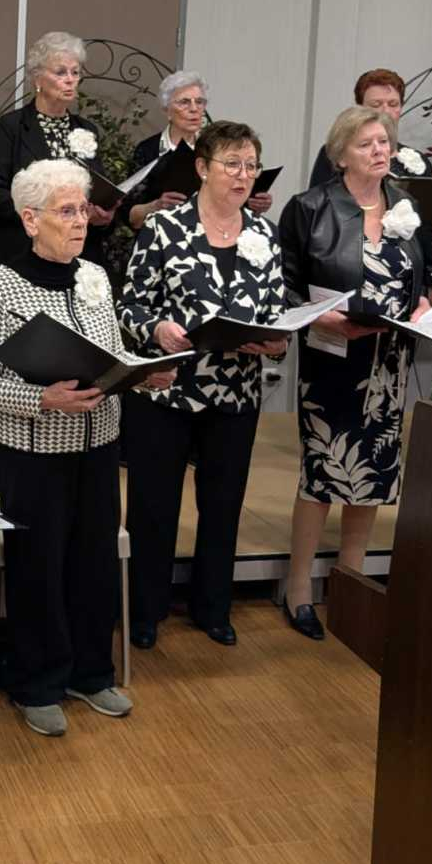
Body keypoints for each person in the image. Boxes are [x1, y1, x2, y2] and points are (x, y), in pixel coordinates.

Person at [0, 159, 169, 737]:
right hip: (31, 453)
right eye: (67, 211)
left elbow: (110, 354)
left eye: (83, 209)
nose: (81, 220)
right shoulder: (0, 287)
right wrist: (40, 398)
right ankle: (38, 683)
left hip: (99, 444)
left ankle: (90, 673)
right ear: (31, 220)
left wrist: (141, 372)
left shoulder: (94, 276)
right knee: (40, 567)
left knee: (94, 561)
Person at [117, 122, 287, 650]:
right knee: (154, 505)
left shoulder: (264, 234)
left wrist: (275, 342)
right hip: (167, 387)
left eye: (250, 165)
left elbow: (276, 311)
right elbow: (129, 306)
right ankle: (144, 609)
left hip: (236, 390)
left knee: (224, 503)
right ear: (202, 168)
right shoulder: (164, 227)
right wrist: (156, 330)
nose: (243, 175)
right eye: (231, 164)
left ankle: (212, 607)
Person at [277, 107, 430, 643]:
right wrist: (319, 317)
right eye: (366, 144)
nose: (379, 150)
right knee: (322, 472)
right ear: (340, 155)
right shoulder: (309, 207)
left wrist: (423, 305)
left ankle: (350, 581)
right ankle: (298, 587)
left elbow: (421, 275)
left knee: (372, 473)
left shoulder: (406, 204)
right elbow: (284, 283)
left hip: (389, 361)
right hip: (332, 356)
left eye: (384, 141)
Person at [0, 32, 116, 266]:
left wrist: (102, 215)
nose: (70, 80)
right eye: (60, 72)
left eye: (75, 72)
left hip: (79, 256)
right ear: (37, 79)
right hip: (25, 252)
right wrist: (44, 214)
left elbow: (97, 192)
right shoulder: (12, 127)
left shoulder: (86, 129)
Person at [125, 71, 274, 226]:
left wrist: (253, 203)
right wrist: (155, 206)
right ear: (167, 110)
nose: (194, 108)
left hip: (212, 232)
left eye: (200, 102)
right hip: (160, 232)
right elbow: (128, 215)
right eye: (184, 102)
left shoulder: (214, 146)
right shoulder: (147, 150)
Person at [305, 69, 425, 189]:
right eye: (376, 105)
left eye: (393, 104)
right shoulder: (337, 152)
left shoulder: (417, 161)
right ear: (360, 108)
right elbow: (317, 198)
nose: (386, 111)